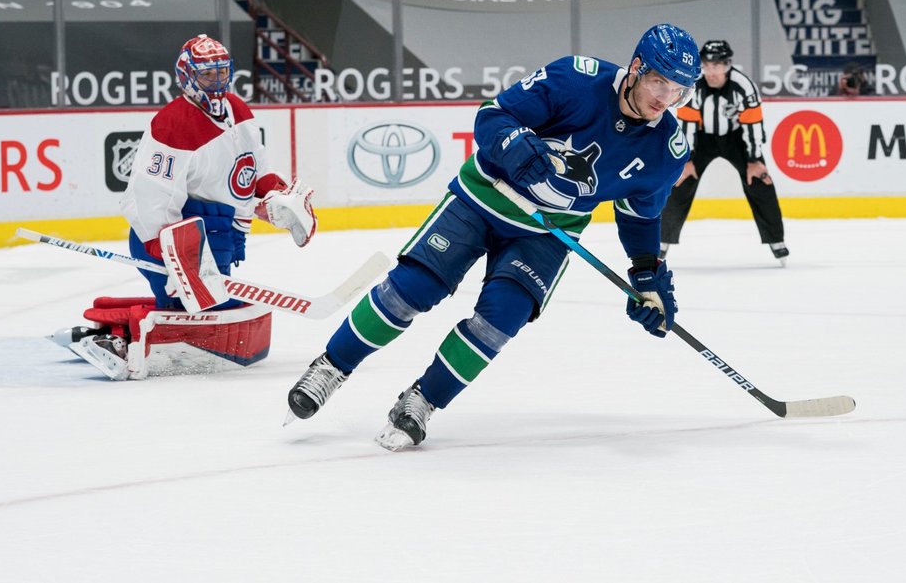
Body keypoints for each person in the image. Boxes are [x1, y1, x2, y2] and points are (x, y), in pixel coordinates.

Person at [285, 24, 701, 450]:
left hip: (546, 233)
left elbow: (639, 217)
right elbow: (492, 116)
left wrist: (647, 277)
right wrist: (515, 145)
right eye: (658, 82)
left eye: (677, 91)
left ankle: (423, 400)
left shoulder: (666, 149)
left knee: (501, 319)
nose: (663, 99)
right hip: (481, 200)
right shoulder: (576, 78)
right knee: (412, 289)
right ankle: (332, 367)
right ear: (635, 68)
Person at [57, 34, 317, 378]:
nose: (217, 81)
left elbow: (252, 166)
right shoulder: (172, 125)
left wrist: (271, 194)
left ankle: (121, 327)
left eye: (222, 72)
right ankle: (119, 339)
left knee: (209, 307)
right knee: (192, 313)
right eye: (208, 74)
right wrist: (164, 251)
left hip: (218, 233)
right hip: (177, 238)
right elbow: (152, 194)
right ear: (187, 76)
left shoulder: (237, 109)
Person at [659, 39, 789, 263]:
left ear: (728, 64)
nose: (712, 71)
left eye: (717, 65)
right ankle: (661, 242)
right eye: (707, 65)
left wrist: (754, 158)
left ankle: (777, 241)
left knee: (760, 181)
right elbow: (688, 124)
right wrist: (686, 160)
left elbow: (753, 124)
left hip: (736, 138)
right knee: (679, 181)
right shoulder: (693, 85)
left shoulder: (744, 86)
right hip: (702, 139)